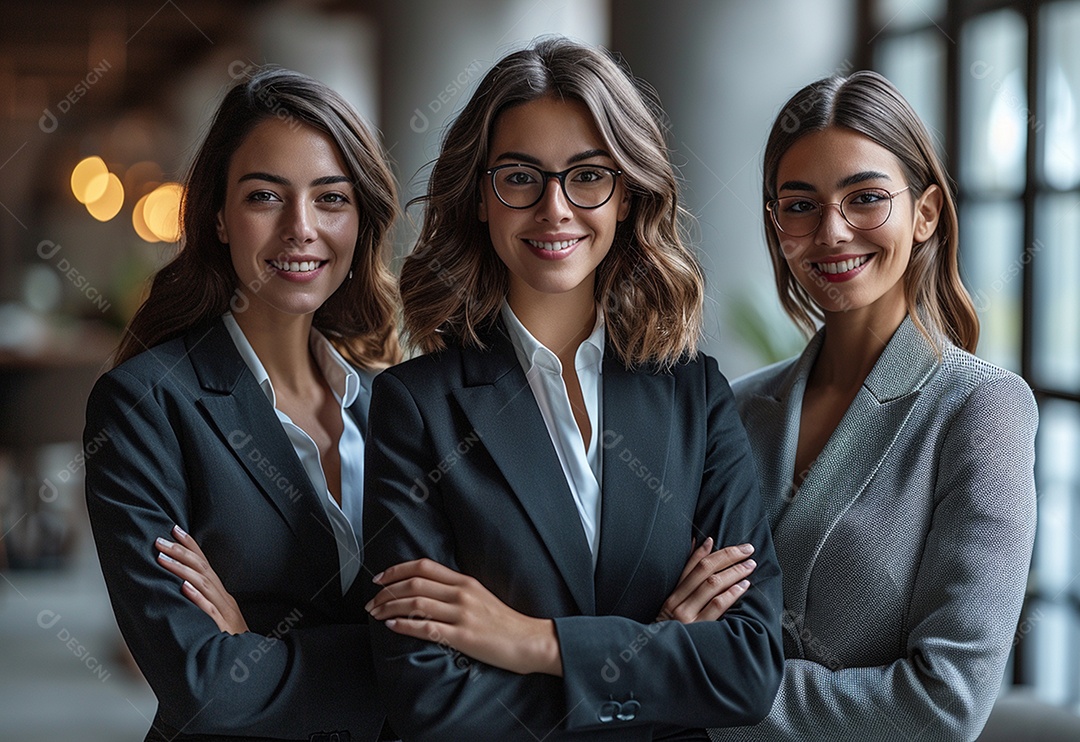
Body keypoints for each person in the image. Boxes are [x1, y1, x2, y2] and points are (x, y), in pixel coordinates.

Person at [362, 37, 785, 742]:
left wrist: (531, 642)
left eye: (588, 176)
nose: (554, 208)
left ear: (627, 196)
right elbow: (427, 699)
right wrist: (652, 650)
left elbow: (745, 668)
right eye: (521, 178)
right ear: (479, 200)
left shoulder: (694, 393)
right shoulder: (414, 408)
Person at [709, 71, 1038, 742]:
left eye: (865, 198)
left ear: (926, 213)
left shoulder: (979, 409)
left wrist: (704, 681)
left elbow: (943, 707)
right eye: (799, 205)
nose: (831, 232)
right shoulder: (738, 409)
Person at [83, 66, 399, 742]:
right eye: (265, 197)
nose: (301, 228)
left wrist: (257, 648)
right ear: (220, 218)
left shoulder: (397, 403)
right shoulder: (145, 407)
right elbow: (203, 686)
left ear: (360, 217)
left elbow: (466, 651)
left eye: (331, 198)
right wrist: (400, 667)